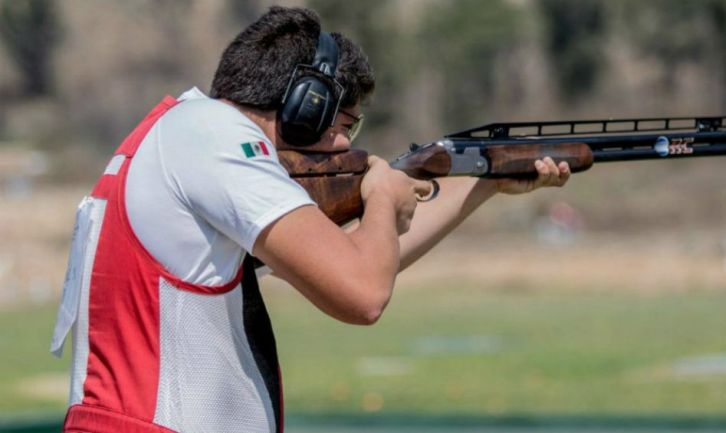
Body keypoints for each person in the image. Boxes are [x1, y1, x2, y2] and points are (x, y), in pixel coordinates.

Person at [51, 6, 570, 433]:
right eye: (343, 123)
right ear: (306, 105)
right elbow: (362, 295)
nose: (347, 143)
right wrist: (383, 196)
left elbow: (359, 265)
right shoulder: (218, 139)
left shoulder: (184, 134)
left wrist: (483, 183)